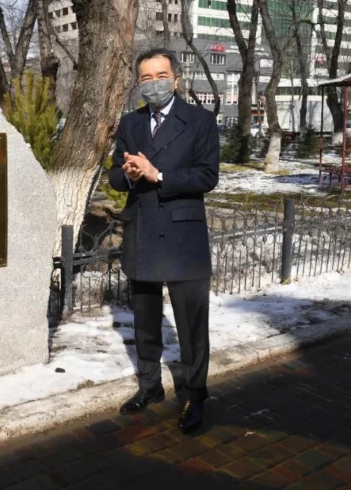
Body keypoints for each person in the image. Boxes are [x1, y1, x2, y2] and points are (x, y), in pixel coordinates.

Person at [109, 48, 220, 434]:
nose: (153, 84)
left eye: (160, 76)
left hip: (182, 235)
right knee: (145, 320)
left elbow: (207, 177)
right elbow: (114, 176)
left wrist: (158, 175)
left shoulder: (200, 121)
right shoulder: (130, 122)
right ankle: (149, 386)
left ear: (176, 79)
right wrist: (127, 173)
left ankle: (195, 396)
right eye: (145, 78)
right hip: (142, 231)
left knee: (191, 326)